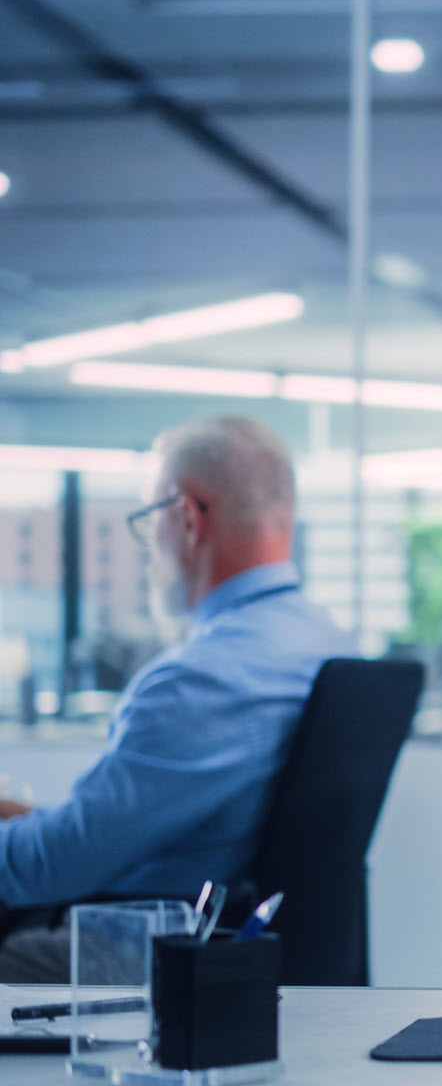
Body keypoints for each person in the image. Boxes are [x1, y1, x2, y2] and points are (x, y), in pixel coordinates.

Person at [0, 416, 356, 982]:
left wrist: (44, 836)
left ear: (186, 518)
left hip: (160, 944)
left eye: (149, 521)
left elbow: (54, 867)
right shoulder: (325, 642)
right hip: (233, 934)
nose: (150, 548)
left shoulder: (201, 679)